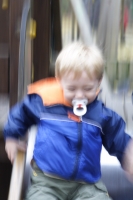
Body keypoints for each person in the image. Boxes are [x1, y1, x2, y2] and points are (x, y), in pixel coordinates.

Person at [3, 42, 133, 200]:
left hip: (87, 185)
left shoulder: (101, 115)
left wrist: (128, 156)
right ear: (59, 80)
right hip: (47, 182)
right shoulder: (45, 104)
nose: (79, 95)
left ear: (98, 82)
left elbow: (119, 139)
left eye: (87, 89)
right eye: (72, 89)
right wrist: (11, 137)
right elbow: (20, 114)